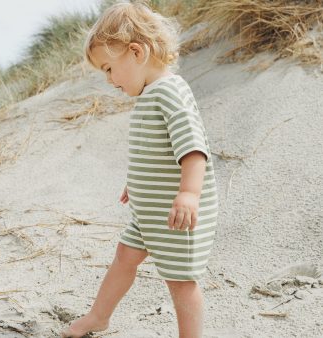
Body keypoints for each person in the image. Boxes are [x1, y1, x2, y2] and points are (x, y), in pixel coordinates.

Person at [61, 2, 218, 337]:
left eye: (108, 68)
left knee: (180, 282)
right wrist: (136, 182)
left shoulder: (170, 91)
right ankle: (98, 317)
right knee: (124, 258)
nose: (108, 80)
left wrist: (189, 194)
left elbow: (193, 148)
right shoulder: (149, 95)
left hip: (176, 217)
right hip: (149, 214)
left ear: (136, 52)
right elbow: (155, 149)